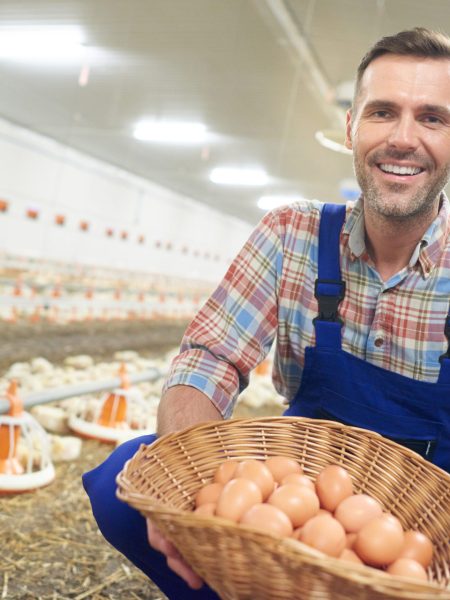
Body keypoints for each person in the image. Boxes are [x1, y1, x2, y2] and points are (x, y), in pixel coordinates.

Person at [83, 27, 450, 598]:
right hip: (294, 492)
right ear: (351, 126)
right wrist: (194, 497)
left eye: (432, 118)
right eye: (382, 112)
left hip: (421, 520)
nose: (403, 138)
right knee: (124, 476)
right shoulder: (293, 233)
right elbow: (208, 359)